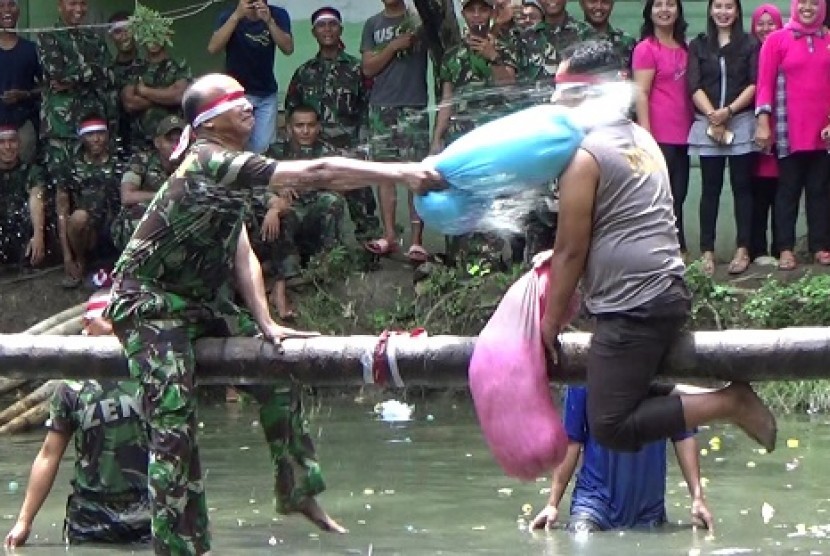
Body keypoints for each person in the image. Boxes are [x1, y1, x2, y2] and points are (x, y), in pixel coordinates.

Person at [104, 73, 442, 555]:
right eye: (232, 100)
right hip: (148, 304)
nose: (246, 105)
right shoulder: (207, 160)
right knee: (174, 431)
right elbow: (320, 172)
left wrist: (264, 321)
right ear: (208, 120)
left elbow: (241, 246)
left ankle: (297, 490)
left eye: (246, 96)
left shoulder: (231, 170)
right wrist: (403, 172)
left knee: (276, 370)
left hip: (197, 303)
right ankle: (180, 549)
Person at [541, 41, 777, 459]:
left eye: (566, 91)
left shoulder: (585, 156)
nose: (556, 100)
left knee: (610, 425)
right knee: (638, 387)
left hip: (634, 305)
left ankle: (729, 403)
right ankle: (715, 397)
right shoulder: (639, 138)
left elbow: (570, 251)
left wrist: (550, 323)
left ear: (592, 93)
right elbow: (618, 223)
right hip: (663, 293)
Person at [4, 291, 150, 548]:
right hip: (89, 518)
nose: (114, 327)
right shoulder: (71, 388)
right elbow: (49, 455)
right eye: (107, 319)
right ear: (87, 325)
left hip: (146, 515)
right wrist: (24, 522)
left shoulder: (150, 376)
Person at [530, 386, 713, 533]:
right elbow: (572, 441)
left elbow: (683, 436)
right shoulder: (586, 372)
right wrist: (552, 504)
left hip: (648, 511)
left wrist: (698, 498)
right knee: (582, 538)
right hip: (594, 505)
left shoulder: (662, 375)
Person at [431, 0, 518, 267]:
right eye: (471, 10)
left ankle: (490, 261)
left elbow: (511, 89)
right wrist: (437, 139)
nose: (477, 15)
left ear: (492, 13)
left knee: (492, 197)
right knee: (460, 196)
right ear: (464, 14)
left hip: (494, 140)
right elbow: (447, 101)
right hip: (461, 140)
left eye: (483, 9)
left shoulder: (506, 48)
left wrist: (493, 56)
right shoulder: (452, 55)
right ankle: (458, 260)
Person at [284, 6, 380, 245]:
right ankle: (323, 254)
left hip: (351, 149)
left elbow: (369, 109)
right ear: (314, 32)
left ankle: (370, 253)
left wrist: (364, 147)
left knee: (363, 207)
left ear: (341, 30)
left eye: (332, 24)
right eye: (321, 25)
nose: (327, 30)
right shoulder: (304, 72)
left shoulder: (358, 69)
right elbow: (291, 113)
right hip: (314, 154)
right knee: (319, 205)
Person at [755, 0, 830, 271]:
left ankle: (820, 246)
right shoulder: (776, 40)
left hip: (823, 133)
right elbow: (764, 84)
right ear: (795, 6)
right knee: (787, 190)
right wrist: (763, 122)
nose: (808, 8)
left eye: (814, 3)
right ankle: (785, 248)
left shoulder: (829, 39)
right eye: (803, 3)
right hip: (788, 129)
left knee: (820, 191)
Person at [687, 0, 759, 276]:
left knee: (743, 188)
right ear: (710, 10)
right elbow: (693, 84)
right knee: (710, 189)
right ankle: (707, 252)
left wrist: (728, 111)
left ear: (737, 11)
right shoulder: (699, 45)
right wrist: (713, 115)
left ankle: (743, 250)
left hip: (740, 121)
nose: (723, 12)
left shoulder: (750, 44)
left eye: (729, 7)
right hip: (708, 123)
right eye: (718, 6)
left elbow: (754, 83)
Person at [361, 0, 431, 264]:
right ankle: (389, 236)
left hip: (414, 105)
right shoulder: (373, 24)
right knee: (384, 174)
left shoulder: (420, 22)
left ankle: (416, 241)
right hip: (381, 107)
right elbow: (368, 68)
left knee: (415, 174)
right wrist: (392, 46)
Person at [260, 105, 346, 319]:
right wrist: (278, 190)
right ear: (289, 128)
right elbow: (256, 184)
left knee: (332, 201)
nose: (305, 131)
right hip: (289, 210)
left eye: (311, 125)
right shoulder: (274, 152)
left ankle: (327, 265)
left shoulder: (328, 153)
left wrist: (308, 183)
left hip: (315, 210)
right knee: (282, 213)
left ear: (318, 127)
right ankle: (288, 278)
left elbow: (345, 186)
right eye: (299, 126)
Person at [633, 0, 693, 258]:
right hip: (658, 135)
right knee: (660, 198)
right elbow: (641, 93)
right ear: (649, 12)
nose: (664, 10)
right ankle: (661, 252)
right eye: (658, 5)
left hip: (685, 134)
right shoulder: (646, 48)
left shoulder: (685, 48)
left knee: (678, 195)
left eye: (670, 4)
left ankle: (679, 249)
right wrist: (646, 135)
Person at [37, 0, 115, 192]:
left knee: (94, 185)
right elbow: (57, 74)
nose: (78, 9)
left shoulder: (93, 38)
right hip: (61, 126)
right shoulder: (48, 36)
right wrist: (93, 71)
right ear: (60, 5)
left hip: (92, 125)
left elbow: (109, 75)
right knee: (62, 187)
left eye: (83, 4)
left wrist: (76, 76)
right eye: (72, 4)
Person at [208, 0, 293, 154]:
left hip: (266, 94)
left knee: (264, 149)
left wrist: (269, 22)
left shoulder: (278, 14)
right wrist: (236, 16)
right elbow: (213, 48)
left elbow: (288, 48)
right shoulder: (228, 14)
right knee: (236, 147)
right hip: (237, 95)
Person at [56, 116, 121, 288]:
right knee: (78, 217)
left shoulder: (121, 161)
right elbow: (62, 211)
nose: (96, 139)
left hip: (117, 226)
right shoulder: (71, 166)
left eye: (100, 133)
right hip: (88, 233)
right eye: (90, 134)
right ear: (82, 137)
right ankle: (81, 261)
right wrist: (67, 256)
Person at [111, 115, 183, 252]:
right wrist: (165, 195)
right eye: (170, 140)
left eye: (179, 140)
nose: (175, 145)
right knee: (138, 212)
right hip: (143, 219)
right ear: (157, 142)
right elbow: (127, 196)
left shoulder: (192, 162)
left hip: (176, 218)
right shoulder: (142, 160)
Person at [121, 17, 191, 153]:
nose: (152, 40)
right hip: (141, 141)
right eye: (147, 34)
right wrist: (165, 97)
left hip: (173, 138)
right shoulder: (136, 67)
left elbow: (178, 96)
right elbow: (130, 103)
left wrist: (145, 91)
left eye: (156, 34)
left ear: (165, 35)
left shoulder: (178, 65)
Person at [749, 4, 783, 264]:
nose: (765, 28)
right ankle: (757, 249)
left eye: (771, 23)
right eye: (760, 23)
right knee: (757, 194)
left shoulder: (784, 51)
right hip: (752, 134)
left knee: (782, 193)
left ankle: (781, 247)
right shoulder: (749, 52)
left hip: (782, 134)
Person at [0, 123, 47, 268]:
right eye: (2, 142)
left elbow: (36, 197)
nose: (8, 147)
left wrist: (38, 236)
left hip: (23, 233)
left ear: (19, 144)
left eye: (12, 141)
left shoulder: (32, 171)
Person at [0, 0, 41, 164]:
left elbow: (49, 86)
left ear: (18, 11)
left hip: (23, 127)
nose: (6, 10)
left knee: (25, 177)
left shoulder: (31, 49)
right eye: (1, 5)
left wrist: (25, 94)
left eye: (11, 4)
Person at [108, 12, 143, 156]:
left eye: (128, 29)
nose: (124, 35)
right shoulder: (107, 71)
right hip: (116, 142)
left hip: (143, 141)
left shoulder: (148, 67)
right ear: (111, 36)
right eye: (118, 32)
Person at [577, 0, 636, 69]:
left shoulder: (626, 41)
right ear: (582, 4)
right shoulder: (570, 36)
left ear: (612, 4)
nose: (599, 7)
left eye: (605, 2)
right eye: (592, 1)